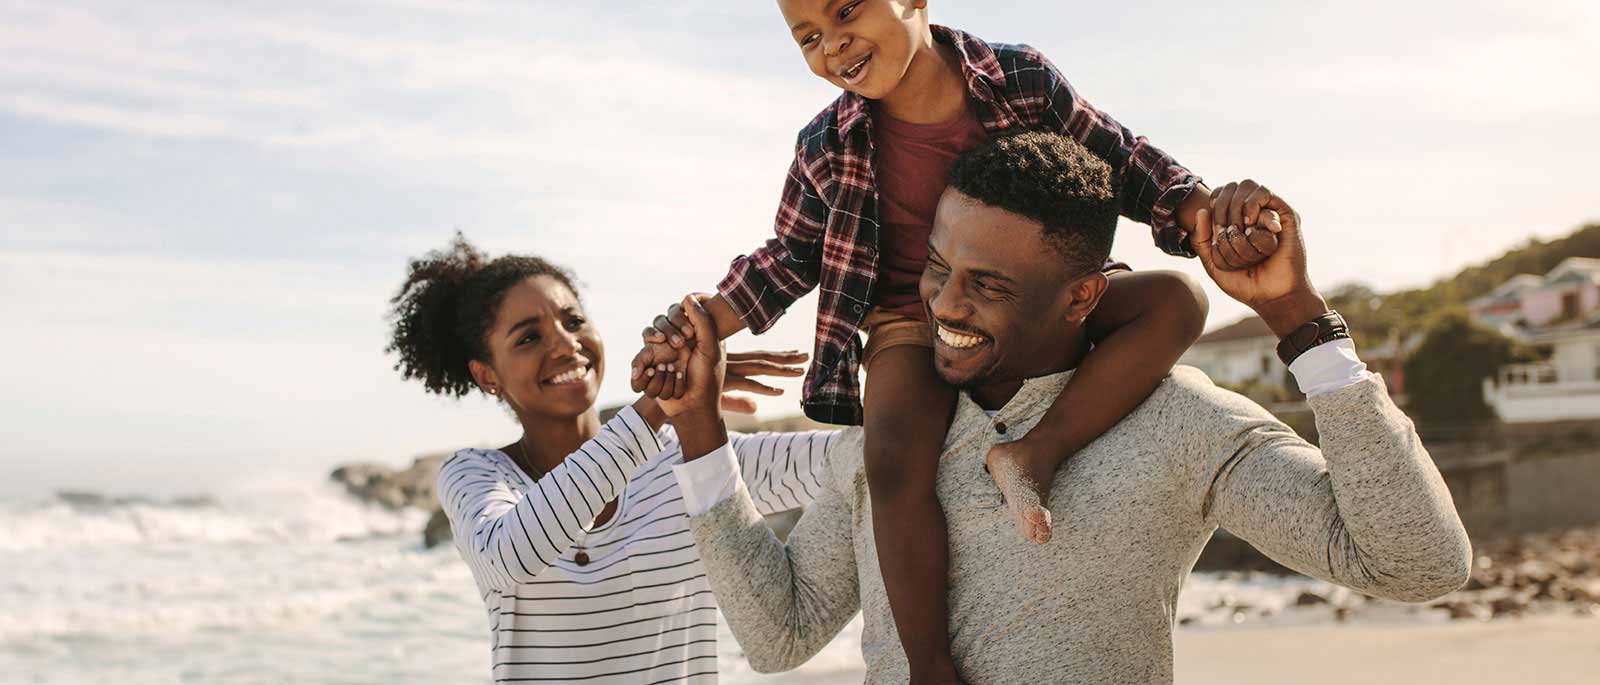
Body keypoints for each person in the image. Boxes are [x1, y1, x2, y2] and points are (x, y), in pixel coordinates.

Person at [666, 133, 1472, 683]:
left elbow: (1419, 563)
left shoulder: (1176, 422)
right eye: (939, 266)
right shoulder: (891, 436)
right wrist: (700, 426)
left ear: (1084, 295)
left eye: (987, 284)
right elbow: (780, 635)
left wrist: (1300, 319)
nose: (944, 304)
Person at [632, 3, 1285, 676]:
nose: (834, 44)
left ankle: (1035, 451)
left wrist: (1207, 211)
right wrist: (697, 324)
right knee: (890, 457)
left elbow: (1122, 159)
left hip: (1029, 305)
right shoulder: (826, 144)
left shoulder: (1019, 78)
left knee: (1179, 300)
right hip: (909, 321)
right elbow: (789, 257)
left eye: (846, 10)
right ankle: (930, 662)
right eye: (808, 37)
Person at [386, 235, 833, 683]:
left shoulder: (692, 459)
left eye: (574, 320)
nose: (565, 345)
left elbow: (854, 463)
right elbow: (509, 555)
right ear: (487, 375)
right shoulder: (476, 474)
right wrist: (662, 399)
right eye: (528, 338)